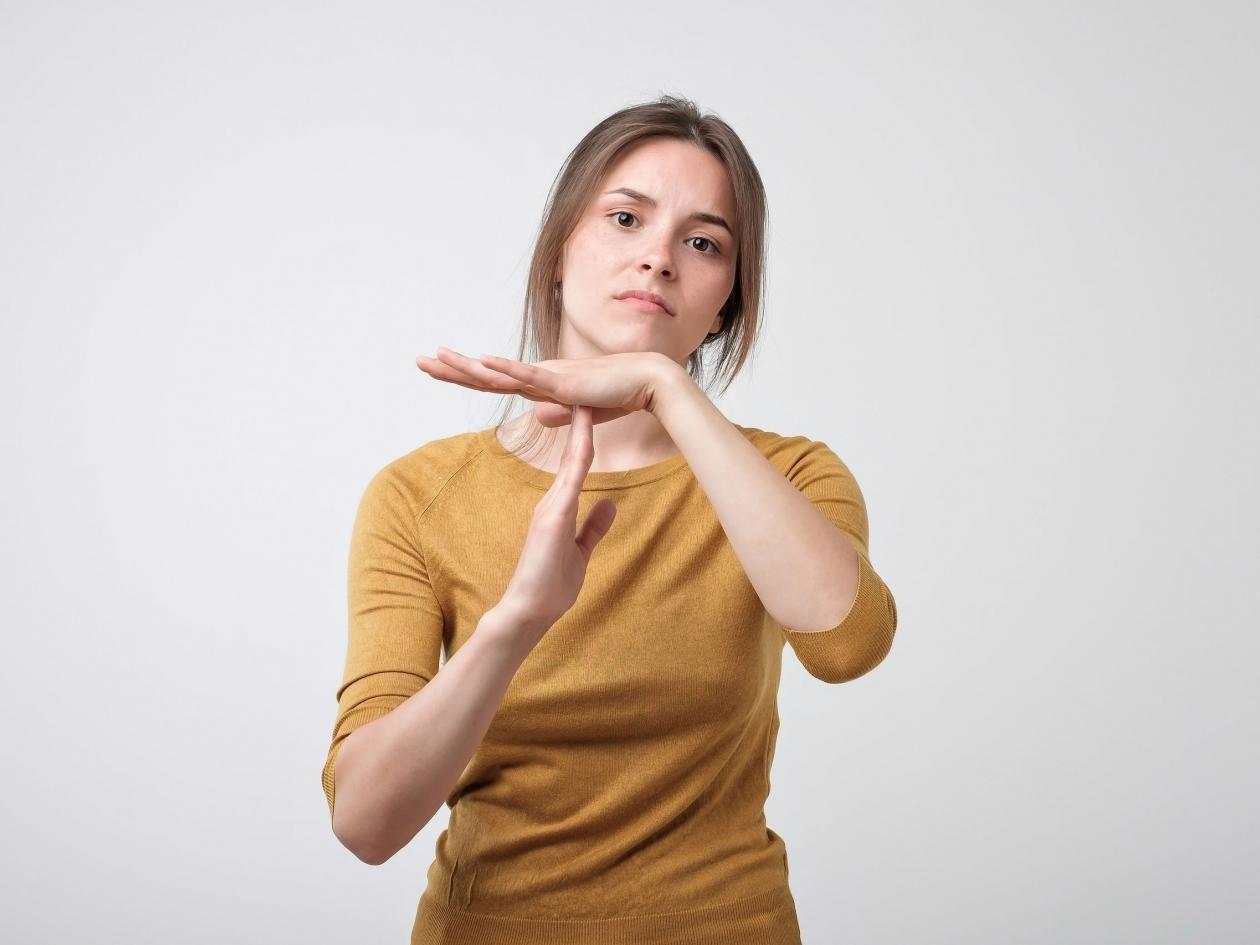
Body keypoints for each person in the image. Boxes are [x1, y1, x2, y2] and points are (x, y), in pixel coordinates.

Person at [321, 94, 899, 944]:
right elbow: (365, 821)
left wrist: (665, 385)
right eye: (625, 218)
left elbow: (847, 644)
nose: (658, 258)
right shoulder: (420, 495)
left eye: (703, 243)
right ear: (558, 251)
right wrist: (517, 620)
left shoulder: (787, 476)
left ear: (728, 301)